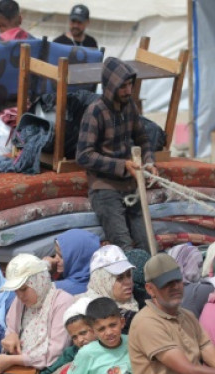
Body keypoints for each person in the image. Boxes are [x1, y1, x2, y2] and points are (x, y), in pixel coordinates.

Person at [77, 57, 157, 252]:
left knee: (148, 245)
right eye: (123, 87)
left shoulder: (130, 107)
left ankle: (149, 281)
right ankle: (133, 282)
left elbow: (144, 140)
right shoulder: (95, 112)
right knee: (124, 247)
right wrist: (122, 166)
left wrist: (149, 163)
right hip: (104, 189)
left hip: (130, 186)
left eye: (130, 85)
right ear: (111, 87)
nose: (128, 91)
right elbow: (84, 156)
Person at [81, 244, 139, 332]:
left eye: (129, 275)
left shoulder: (139, 298)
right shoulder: (85, 311)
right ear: (102, 281)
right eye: (119, 278)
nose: (128, 282)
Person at [43, 228, 101, 295]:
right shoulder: (102, 283)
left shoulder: (58, 289)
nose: (55, 259)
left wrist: (45, 270)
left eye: (61, 256)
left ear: (79, 259)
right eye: (55, 253)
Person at [169, 243, 215, 317]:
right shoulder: (200, 290)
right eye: (199, 265)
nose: (200, 270)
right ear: (187, 264)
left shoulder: (162, 292)